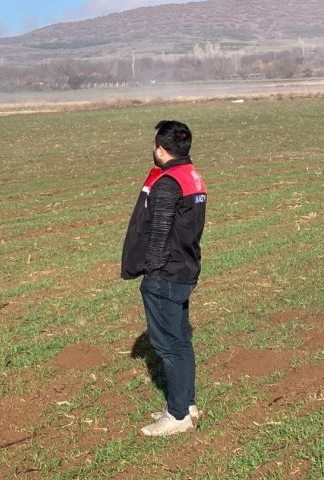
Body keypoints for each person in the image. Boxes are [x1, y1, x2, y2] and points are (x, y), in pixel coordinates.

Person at [121, 120, 207, 436]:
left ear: (161, 148)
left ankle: (178, 416)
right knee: (182, 340)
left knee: (169, 346)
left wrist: (152, 275)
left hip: (166, 276)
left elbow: (158, 235)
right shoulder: (192, 177)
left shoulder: (168, 183)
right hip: (186, 269)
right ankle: (185, 403)